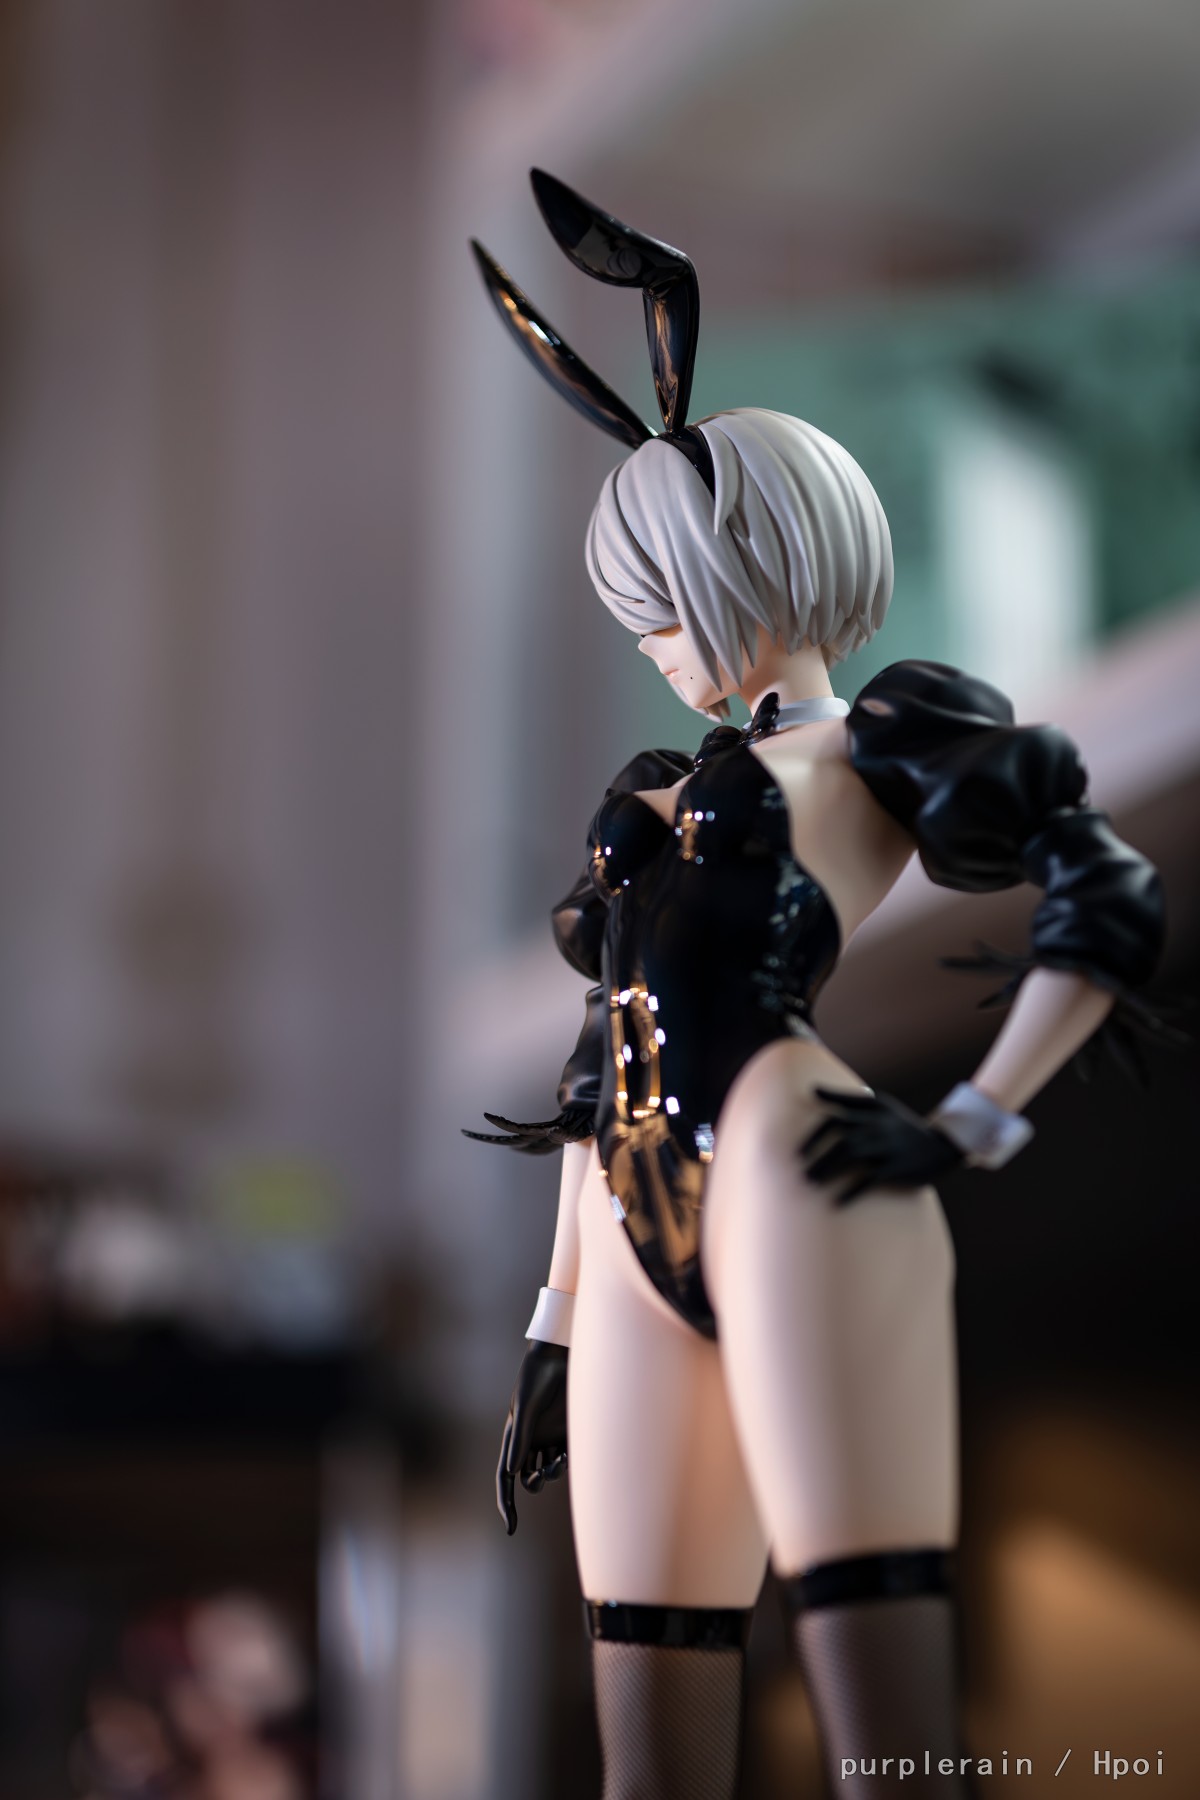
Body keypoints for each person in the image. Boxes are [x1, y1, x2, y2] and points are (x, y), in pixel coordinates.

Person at [466, 174, 1166, 1800]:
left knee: (881, 1719)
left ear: (753, 561)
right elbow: (599, 1047)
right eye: (635, 610)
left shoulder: (882, 740)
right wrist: (555, 1318)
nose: (650, 639)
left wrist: (978, 1118)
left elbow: (1104, 887)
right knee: (647, 1730)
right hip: (626, 1216)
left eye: (665, 601)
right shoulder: (655, 785)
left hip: (798, 1172)